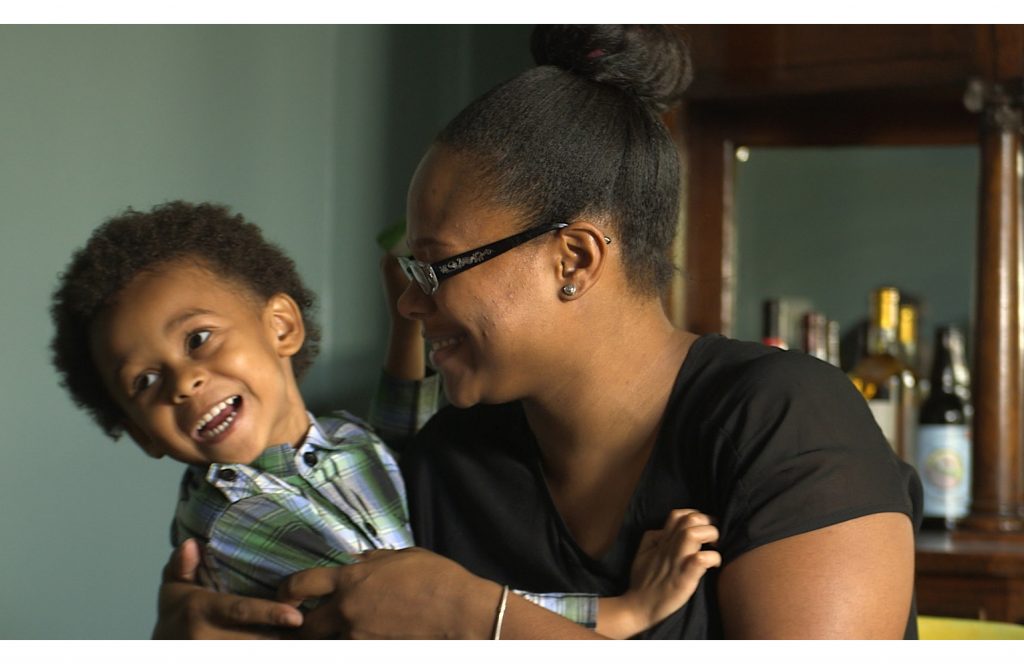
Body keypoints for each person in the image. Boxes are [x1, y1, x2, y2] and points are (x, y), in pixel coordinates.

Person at [155, 24, 922, 639]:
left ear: (574, 258)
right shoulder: (439, 464)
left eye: (437, 266)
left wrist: (476, 620)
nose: (412, 306)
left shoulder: (783, 421)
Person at [50, 200, 720, 639]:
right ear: (140, 433)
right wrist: (622, 614)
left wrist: (405, 319)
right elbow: (417, 609)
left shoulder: (332, 441)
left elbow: (393, 439)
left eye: (198, 339)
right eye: (144, 382)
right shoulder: (235, 520)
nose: (184, 381)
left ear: (281, 326)